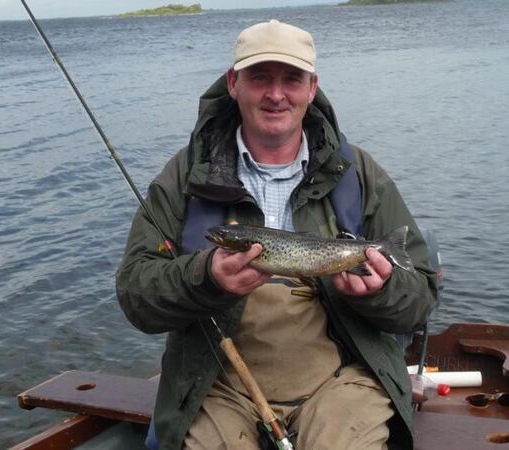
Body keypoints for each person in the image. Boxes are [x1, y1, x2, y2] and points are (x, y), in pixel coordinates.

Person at [116, 19, 438, 449]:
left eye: (291, 79)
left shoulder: (360, 174)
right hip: (217, 380)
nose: (275, 94)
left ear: (311, 87)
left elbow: (418, 302)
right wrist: (204, 278)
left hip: (341, 378)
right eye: (259, 78)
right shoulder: (182, 177)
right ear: (234, 83)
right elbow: (136, 295)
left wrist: (380, 290)